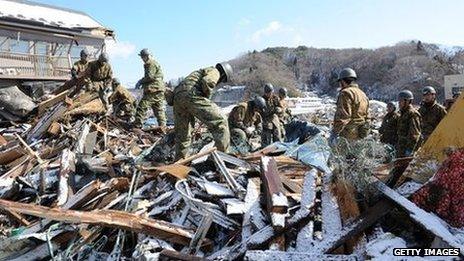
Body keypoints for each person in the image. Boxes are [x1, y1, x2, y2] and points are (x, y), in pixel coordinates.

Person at [172, 62, 233, 160]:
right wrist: (207, 100)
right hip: (191, 95)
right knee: (221, 121)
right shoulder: (215, 71)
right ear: (223, 75)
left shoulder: (198, 73)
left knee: (183, 134)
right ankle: (224, 157)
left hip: (178, 98)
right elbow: (207, 81)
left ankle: (179, 162)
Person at [330, 68, 369, 145]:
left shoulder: (345, 93)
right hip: (360, 133)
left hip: (347, 135)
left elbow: (344, 116)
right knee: (355, 156)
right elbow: (367, 116)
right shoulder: (362, 94)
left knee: (339, 156)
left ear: (343, 81)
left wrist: (334, 132)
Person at [133, 48, 167, 128]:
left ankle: (137, 125)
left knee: (142, 107)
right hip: (159, 89)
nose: (142, 59)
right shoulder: (155, 63)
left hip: (153, 89)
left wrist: (140, 81)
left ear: (147, 56)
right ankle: (163, 127)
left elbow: (150, 76)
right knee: (159, 110)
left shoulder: (150, 63)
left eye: (142, 57)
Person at [396, 90, 421, 157]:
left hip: (407, 150)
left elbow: (415, 135)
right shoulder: (403, 113)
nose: (399, 103)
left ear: (408, 101)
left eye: (401, 101)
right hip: (401, 148)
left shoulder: (412, 114)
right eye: (399, 101)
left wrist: (409, 150)